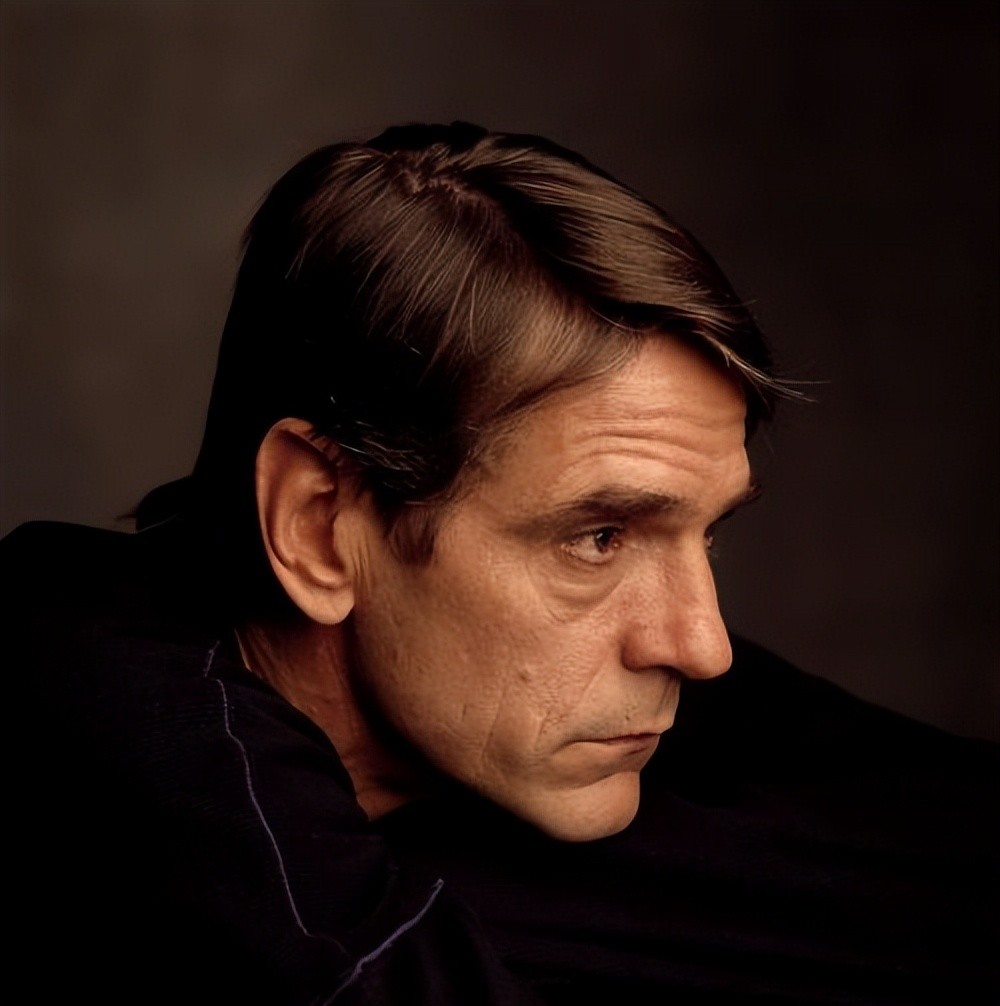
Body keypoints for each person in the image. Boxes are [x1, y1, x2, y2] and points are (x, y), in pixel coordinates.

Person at [8, 122, 997, 1004]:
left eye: (706, 533)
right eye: (598, 536)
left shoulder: (532, 722)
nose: (701, 645)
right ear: (317, 525)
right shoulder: (123, 730)